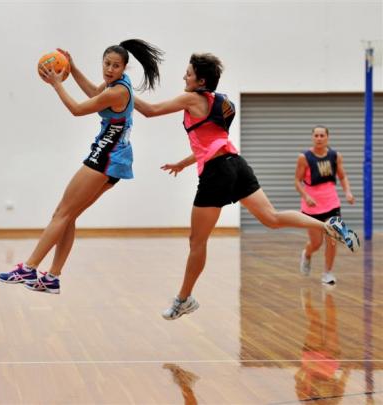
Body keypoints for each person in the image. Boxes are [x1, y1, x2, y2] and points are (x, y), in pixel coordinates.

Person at [134, 52, 358, 320]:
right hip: (236, 164)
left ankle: (184, 298)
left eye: (189, 73)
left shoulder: (191, 98)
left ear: (200, 80)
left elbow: (149, 111)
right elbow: (212, 143)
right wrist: (183, 164)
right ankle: (328, 226)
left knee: (197, 241)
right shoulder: (221, 102)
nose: (185, 76)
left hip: (217, 173)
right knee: (272, 218)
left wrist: (122, 88)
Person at [0, 39, 164, 293]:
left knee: (61, 213)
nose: (109, 69)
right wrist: (72, 68)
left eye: (116, 66)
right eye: (106, 64)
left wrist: (56, 85)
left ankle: (28, 268)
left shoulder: (117, 91)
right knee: (69, 215)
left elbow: (77, 109)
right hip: (113, 158)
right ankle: (52, 277)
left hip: (106, 157)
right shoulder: (116, 86)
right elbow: (93, 95)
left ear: (124, 68)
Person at [295, 126, 355, 285]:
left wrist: (348, 192)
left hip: (332, 204)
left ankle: (327, 273)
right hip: (312, 206)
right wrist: (306, 196)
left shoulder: (335, 156)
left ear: (327, 137)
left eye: (322, 135)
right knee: (316, 243)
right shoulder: (304, 157)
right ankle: (307, 254)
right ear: (312, 137)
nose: (319, 138)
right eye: (316, 135)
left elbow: (342, 177)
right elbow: (297, 181)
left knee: (333, 239)